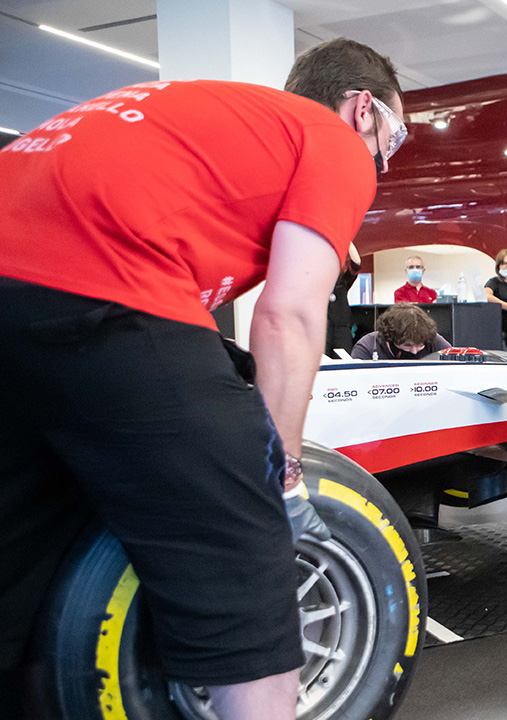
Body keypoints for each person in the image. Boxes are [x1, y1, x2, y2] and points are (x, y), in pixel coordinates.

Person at [0, 37, 406, 719]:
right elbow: (288, 316)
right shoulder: (332, 142)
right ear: (362, 108)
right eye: (394, 134)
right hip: (105, 287)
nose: (387, 157)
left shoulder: (211, 120)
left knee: (25, 559)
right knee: (248, 571)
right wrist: (281, 475)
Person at [351, 303, 452, 360]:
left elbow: (455, 366)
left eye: (420, 345)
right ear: (389, 338)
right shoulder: (366, 348)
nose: (414, 351)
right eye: (407, 345)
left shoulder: (432, 338)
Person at [325, 243, 362, 358]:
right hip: (322, 328)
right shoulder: (315, 284)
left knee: (343, 361)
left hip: (342, 328)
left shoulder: (343, 282)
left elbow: (356, 263)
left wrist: (347, 240)